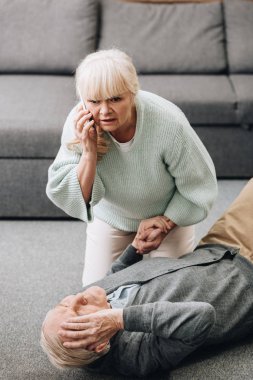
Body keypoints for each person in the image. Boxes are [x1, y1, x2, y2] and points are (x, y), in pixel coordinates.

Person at [41, 179, 253, 377]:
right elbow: (202, 316)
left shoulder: (95, 299)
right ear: (99, 342)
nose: (75, 298)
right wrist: (118, 319)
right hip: (247, 281)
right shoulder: (136, 356)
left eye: (63, 304)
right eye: (78, 314)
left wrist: (134, 249)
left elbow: (116, 277)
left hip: (219, 246)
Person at [46, 49, 218, 286]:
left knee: (169, 293)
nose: (104, 111)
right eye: (94, 101)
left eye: (115, 99)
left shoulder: (168, 122)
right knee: (97, 293)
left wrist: (166, 223)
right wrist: (89, 151)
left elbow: (199, 185)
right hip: (112, 216)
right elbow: (73, 196)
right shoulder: (79, 123)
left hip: (168, 215)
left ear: (133, 93)